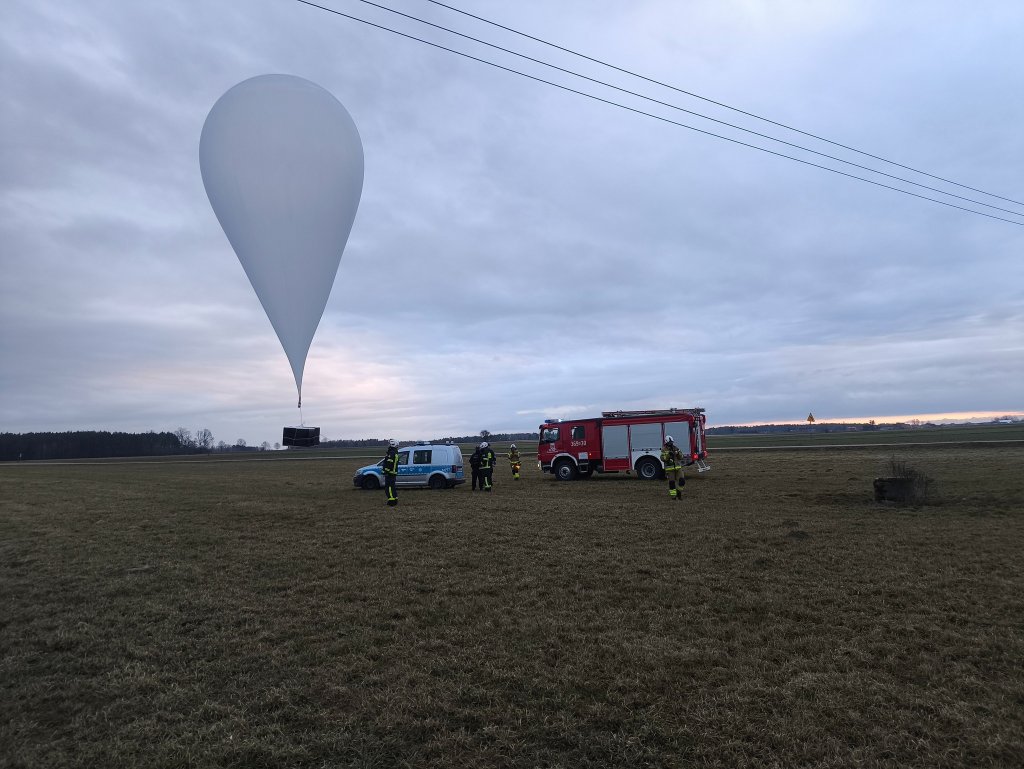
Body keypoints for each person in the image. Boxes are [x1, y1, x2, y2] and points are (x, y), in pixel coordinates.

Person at [661, 435, 685, 501]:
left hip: (678, 468)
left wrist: (678, 453)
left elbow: (681, 457)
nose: (671, 444)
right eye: (670, 442)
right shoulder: (664, 449)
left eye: (672, 442)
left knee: (682, 481)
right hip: (670, 469)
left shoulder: (676, 448)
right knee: (672, 483)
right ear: (666, 442)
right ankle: (673, 496)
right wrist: (668, 455)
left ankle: (679, 492)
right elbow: (662, 458)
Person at [382, 439, 400, 507]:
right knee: (392, 487)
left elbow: (389, 463)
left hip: (390, 473)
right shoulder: (394, 452)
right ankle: (395, 499)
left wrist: (385, 471)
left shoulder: (391, 453)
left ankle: (392, 501)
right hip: (392, 473)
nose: (388, 445)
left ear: (392, 444)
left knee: (389, 488)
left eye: (389, 444)